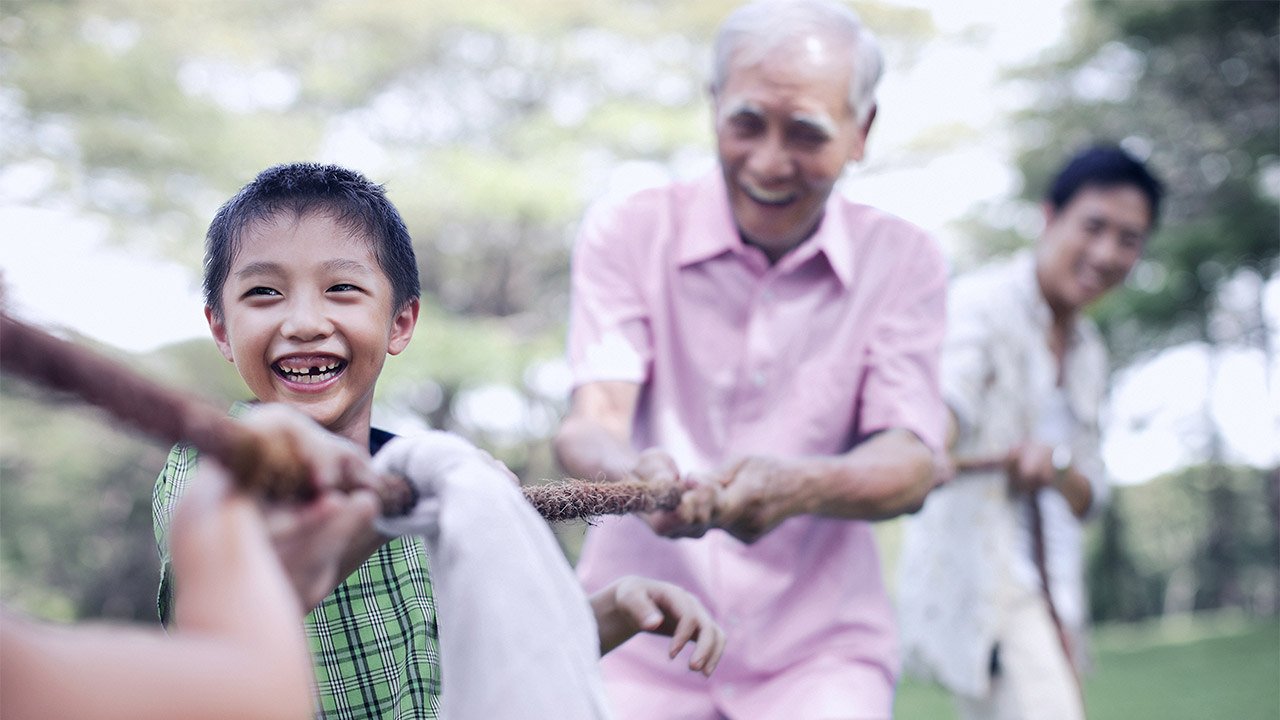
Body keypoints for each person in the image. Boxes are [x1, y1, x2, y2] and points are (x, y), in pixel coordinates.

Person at [152, 162, 725, 719]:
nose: (304, 321)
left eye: (342, 288)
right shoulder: (216, 464)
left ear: (399, 322)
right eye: (264, 294)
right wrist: (423, 497)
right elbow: (213, 610)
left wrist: (616, 610)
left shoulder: (423, 480)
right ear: (222, 329)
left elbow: (481, 675)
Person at [552, 0, 949, 717]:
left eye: (805, 132)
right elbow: (591, 424)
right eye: (745, 123)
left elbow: (911, 462)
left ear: (862, 133)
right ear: (713, 108)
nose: (768, 162)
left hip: (821, 654)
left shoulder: (907, 261)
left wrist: (798, 485)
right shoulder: (629, 230)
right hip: (636, 633)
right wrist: (631, 476)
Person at [895, 145, 1163, 720]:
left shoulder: (1090, 352)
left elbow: (1091, 495)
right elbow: (946, 401)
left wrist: (1057, 467)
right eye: (1093, 227)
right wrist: (923, 447)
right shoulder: (984, 305)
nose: (1105, 252)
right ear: (1050, 217)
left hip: (1056, 593)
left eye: (1128, 239)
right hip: (987, 589)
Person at [0, 402, 381, 720]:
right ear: (220, 331)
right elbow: (248, 697)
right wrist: (219, 499)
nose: (304, 325)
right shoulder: (192, 465)